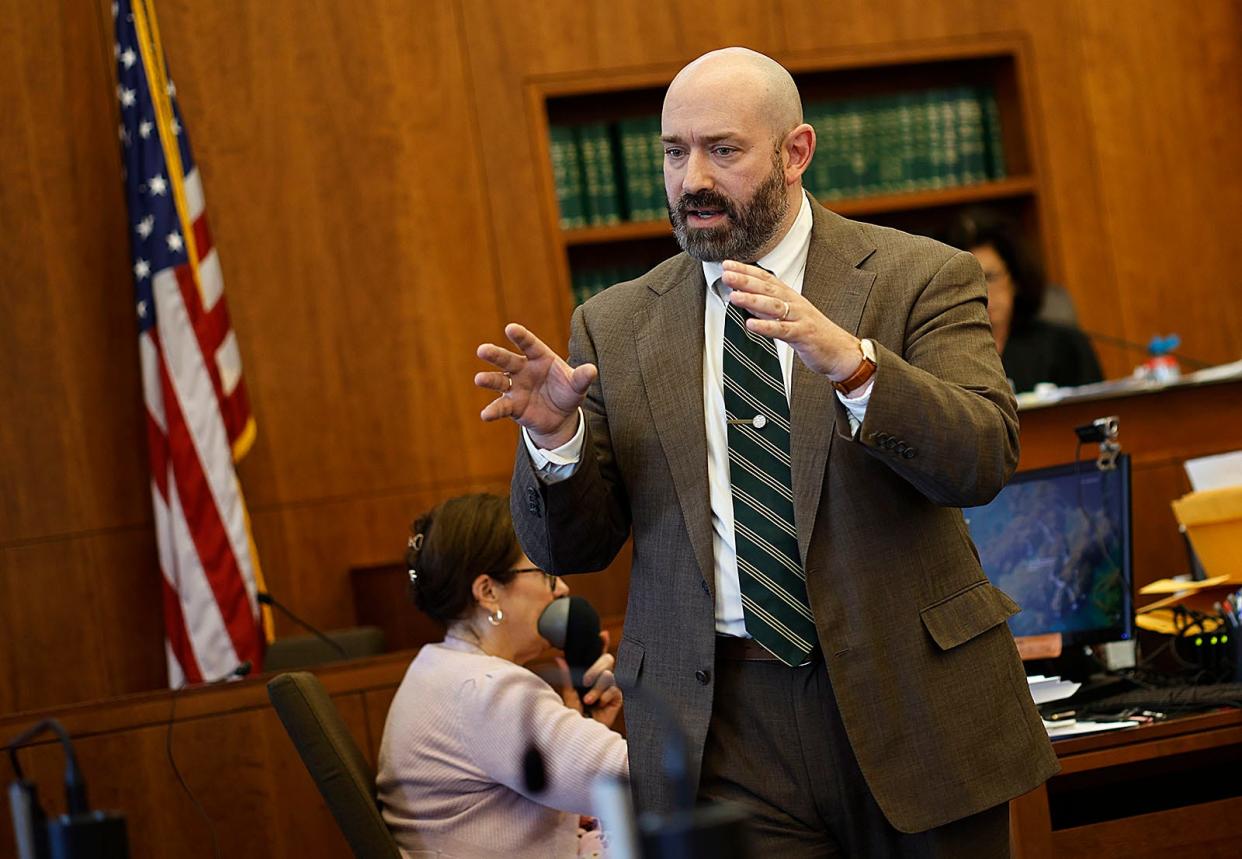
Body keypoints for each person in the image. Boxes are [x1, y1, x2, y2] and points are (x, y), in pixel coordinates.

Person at [475, 47, 1056, 856]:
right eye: (674, 153)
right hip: (722, 723)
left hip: (909, 700)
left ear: (796, 151)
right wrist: (555, 438)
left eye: (723, 150)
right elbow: (574, 545)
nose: (692, 180)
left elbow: (984, 457)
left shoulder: (918, 276)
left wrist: (855, 366)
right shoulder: (615, 323)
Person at [376, 493, 627, 859]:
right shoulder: (489, 691)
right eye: (544, 572)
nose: (562, 588)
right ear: (488, 592)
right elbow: (640, 784)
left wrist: (589, 726)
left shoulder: (438, 668)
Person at [945, 206, 1103, 394]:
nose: (982, 292)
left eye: (990, 277)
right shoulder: (941, 357)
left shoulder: (1064, 347)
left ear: (1015, 280)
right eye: (968, 281)